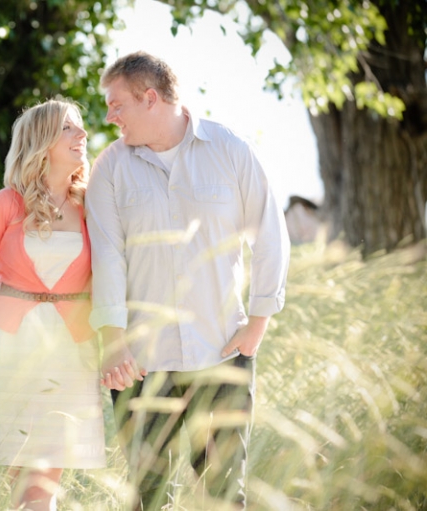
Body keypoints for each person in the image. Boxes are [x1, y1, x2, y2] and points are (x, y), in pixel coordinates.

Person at [85, 51, 290, 510]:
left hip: (220, 353)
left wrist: (257, 324)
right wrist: (114, 342)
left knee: (222, 497)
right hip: (140, 364)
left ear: (150, 97)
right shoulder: (111, 168)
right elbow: (108, 258)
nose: (110, 116)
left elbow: (271, 237)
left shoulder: (231, 150)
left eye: (117, 105)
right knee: (149, 497)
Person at [0, 99, 105, 510]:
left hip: (71, 351)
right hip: (14, 352)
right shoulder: (7, 203)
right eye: (69, 128)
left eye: (81, 127)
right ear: (42, 141)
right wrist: (10, 319)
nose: (83, 135)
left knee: (44, 482)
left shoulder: (92, 207)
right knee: (24, 483)